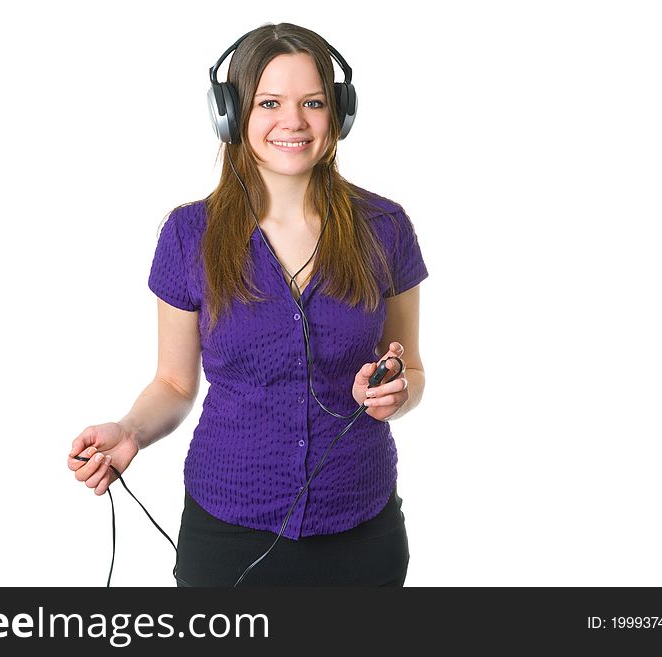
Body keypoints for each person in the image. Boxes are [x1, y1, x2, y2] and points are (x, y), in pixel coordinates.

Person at [67, 22, 429, 587]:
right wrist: (131, 430)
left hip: (362, 529)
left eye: (313, 102)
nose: (294, 121)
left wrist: (396, 392)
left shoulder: (384, 227)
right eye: (269, 102)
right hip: (228, 533)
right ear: (232, 113)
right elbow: (174, 383)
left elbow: (410, 370)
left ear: (339, 112)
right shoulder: (190, 235)